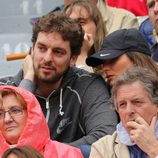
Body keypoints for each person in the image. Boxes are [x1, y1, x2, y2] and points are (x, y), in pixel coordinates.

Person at [0, 12, 118, 146]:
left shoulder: (87, 84)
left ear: (73, 59)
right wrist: (27, 83)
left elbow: (105, 137)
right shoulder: (4, 88)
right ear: (32, 49)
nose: (47, 58)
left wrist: (43, 154)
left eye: (58, 52)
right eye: (41, 48)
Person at [89, 67, 158, 158]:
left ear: (156, 105)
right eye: (122, 104)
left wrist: (154, 150)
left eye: (137, 102)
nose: (129, 111)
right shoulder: (103, 148)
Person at [0, 86, 83, 158]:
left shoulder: (66, 154)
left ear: (31, 113)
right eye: (0, 114)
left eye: (15, 111)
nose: (7, 119)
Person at [86, 28, 158, 88]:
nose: (105, 68)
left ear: (136, 59)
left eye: (112, 60)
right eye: (103, 62)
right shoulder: (101, 98)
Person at [64, 0, 106, 70]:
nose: (74, 27)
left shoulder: (108, 61)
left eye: (81, 22)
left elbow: (85, 80)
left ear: (97, 26)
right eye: (69, 23)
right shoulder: (59, 61)